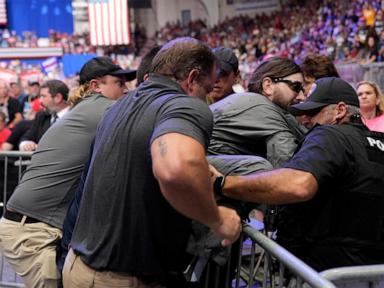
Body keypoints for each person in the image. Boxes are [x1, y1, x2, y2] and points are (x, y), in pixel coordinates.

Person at [63, 37, 241, 288]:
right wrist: (218, 218)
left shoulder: (117, 106)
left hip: (79, 267)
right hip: (122, 278)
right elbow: (176, 169)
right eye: (209, 88)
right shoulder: (185, 104)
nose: (209, 98)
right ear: (191, 79)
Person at [210, 77, 384, 271]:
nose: (305, 119)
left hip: (325, 271)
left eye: (313, 112)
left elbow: (298, 185)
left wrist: (222, 184)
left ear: (340, 111)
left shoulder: (330, 135)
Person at [0, 56, 134, 288]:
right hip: (33, 229)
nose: (127, 90)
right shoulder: (101, 108)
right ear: (95, 86)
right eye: (119, 83)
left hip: (35, 224)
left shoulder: (84, 109)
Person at [208, 56, 306, 168]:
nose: (302, 97)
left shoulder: (256, 103)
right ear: (268, 86)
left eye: (302, 90)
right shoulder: (264, 109)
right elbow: (289, 170)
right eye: (296, 87)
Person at [18, 80, 70, 152]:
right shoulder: (41, 116)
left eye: (43, 96)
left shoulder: (75, 117)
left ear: (58, 97)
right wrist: (26, 144)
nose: (40, 101)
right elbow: (26, 137)